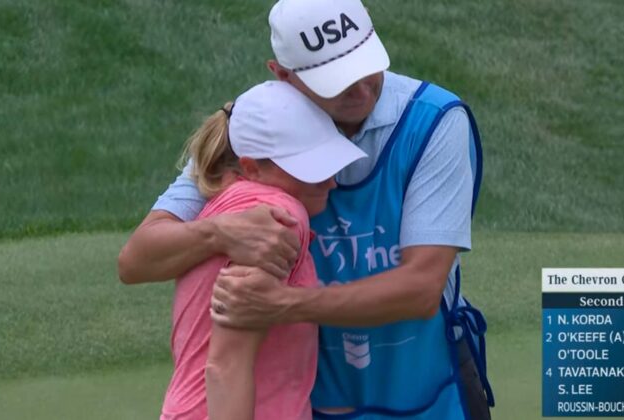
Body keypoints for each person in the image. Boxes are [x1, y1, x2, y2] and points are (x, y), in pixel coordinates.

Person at [118, 0, 493, 418]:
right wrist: (219, 231)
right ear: (283, 75)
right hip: (314, 401)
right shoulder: (257, 127)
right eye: (336, 80)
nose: (360, 89)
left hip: (431, 389)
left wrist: (283, 303)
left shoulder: (434, 120)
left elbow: (420, 288)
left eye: (365, 66)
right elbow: (136, 260)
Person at [155, 80, 367, 420]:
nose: (330, 181)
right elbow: (226, 367)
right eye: (312, 171)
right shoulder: (278, 216)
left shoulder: (234, 204)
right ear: (252, 168)